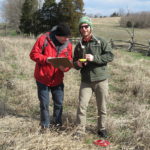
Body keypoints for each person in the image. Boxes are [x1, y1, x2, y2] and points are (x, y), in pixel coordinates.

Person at [73, 16, 114, 138]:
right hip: (86, 81)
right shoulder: (79, 45)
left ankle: (102, 129)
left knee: (102, 107)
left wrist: (94, 58)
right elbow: (74, 62)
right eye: (81, 27)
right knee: (82, 106)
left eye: (86, 26)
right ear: (80, 30)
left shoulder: (100, 41)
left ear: (90, 27)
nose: (84, 29)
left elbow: (110, 56)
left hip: (101, 80)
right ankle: (80, 131)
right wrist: (78, 64)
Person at [30, 23, 73, 132]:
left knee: (59, 103)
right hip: (43, 78)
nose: (67, 39)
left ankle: (57, 124)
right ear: (57, 35)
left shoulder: (68, 44)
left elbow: (69, 60)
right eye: (65, 37)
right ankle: (45, 126)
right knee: (44, 104)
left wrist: (66, 68)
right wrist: (46, 59)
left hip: (58, 79)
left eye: (68, 37)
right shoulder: (44, 39)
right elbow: (33, 54)